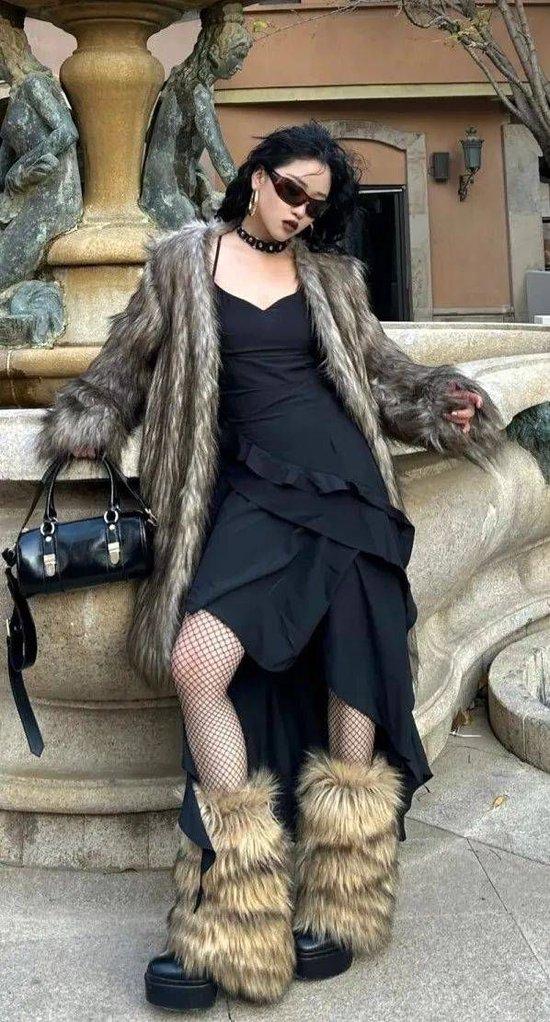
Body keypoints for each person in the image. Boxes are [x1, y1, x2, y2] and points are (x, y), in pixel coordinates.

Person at [34, 120, 504, 1012]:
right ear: (254, 176)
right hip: (249, 493)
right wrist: (86, 420)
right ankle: (237, 904)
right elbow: (122, 367)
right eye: (289, 191)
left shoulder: (331, 278)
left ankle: (341, 898)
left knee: (351, 677)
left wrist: (443, 399)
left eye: (315, 206)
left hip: (345, 488)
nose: (298, 214)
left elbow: (385, 375)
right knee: (199, 663)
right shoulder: (181, 264)